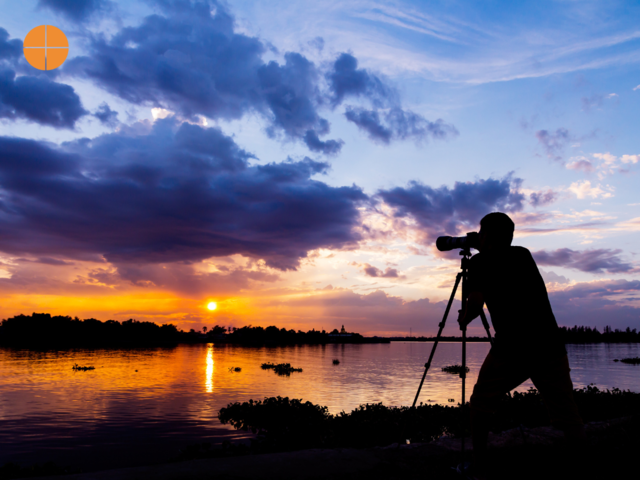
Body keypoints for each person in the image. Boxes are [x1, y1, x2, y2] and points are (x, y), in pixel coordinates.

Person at [457, 212, 584, 479]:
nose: (478, 236)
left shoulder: (479, 263)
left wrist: (463, 313)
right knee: (566, 411)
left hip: (512, 348)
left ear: (488, 235)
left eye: (482, 231)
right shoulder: (523, 255)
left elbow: (474, 308)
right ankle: (580, 465)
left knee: (480, 402)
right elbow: (502, 265)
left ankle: (479, 467)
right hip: (549, 344)